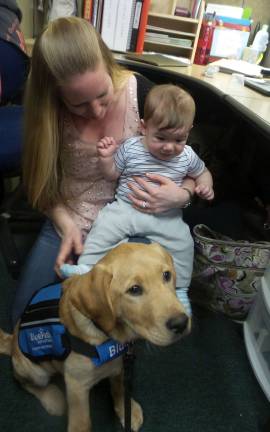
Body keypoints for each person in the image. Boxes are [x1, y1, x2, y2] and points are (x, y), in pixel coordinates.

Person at [11, 17, 195, 325]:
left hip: (136, 216)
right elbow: (40, 184)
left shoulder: (143, 94)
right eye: (80, 105)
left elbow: (187, 159)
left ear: (109, 67)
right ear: (56, 97)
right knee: (26, 319)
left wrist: (183, 195)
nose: (96, 111)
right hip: (73, 216)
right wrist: (66, 225)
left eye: (102, 95)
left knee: (121, 316)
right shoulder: (47, 116)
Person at [61, 84, 214, 315]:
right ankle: (88, 268)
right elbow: (111, 174)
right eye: (161, 137)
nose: (169, 147)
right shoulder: (131, 148)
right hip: (126, 209)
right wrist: (106, 158)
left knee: (184, 244)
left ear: (188, 131)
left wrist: (205, 185)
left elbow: (202, 173)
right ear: (144, 127)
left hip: (166, 217)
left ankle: (179, 289)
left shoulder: (188, 155)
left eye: (179, 139)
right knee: (102, 228)